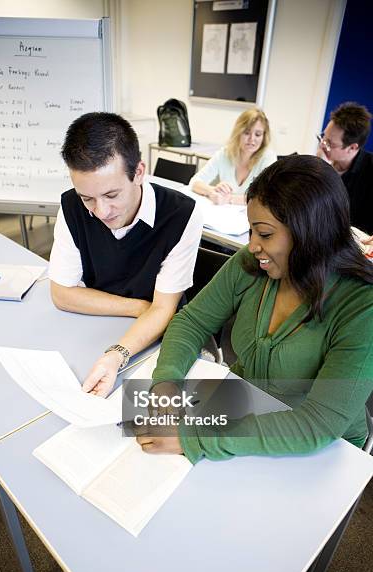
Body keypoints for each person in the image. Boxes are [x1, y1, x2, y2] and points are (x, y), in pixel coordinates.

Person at [135, 155, 373, 462]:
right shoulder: (253, 264)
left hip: (322, 450)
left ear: (309, 233)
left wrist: (193, 437)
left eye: (265, 234)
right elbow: (192, 322)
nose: (252, 245)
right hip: (240, 412)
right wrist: (166, 380)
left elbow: (318, 425)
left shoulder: (361, 307)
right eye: (251, 231)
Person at [48, 112, 203, 397]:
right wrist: (139, 307)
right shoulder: (71, 205)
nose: (101, 212)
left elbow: (164, 310)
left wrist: (116, 354)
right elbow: (61, 294)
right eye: (88, 199)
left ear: (139, 172)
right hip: (96, 327)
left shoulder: (183, 215)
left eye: (111, 195)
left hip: (157, 340)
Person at [189, 108, 277, 205]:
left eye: (258, 134)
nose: (252, 139)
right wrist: (212, 191)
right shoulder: (225, 154)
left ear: (264, 136)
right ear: (238, 132)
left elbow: (265, 197)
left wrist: (229, 199)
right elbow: (194, 182)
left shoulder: (268, 158)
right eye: (247, 133)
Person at [317, 101, 373, 235]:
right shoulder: (324, 161)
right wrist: (319, 168)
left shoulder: (370, 170)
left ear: (352, 148)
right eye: (323, 137)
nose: (322, 146)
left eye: (330, 143)